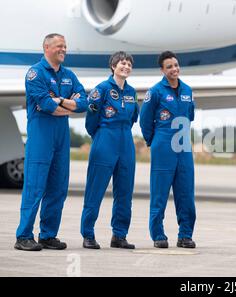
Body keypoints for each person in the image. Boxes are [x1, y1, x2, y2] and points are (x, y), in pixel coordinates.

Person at [15, 33, 88, 251]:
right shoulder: (35, 73)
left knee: (58, 188)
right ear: (46, 47)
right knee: (35, 187)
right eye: (59, 46)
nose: (63, 49)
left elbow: (83, 103)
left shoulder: (69, 75)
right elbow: (47, 105)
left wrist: (61, 101)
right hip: (40, 137)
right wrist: (67, 107)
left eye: (65, 46)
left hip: (61, 139)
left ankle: (47, 235)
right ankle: (24, 236)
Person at [80, 52, 139, 249]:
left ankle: (119, 235)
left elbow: (132, 119)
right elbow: (91, 118)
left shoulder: (132, 92)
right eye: (122, 63)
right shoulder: (102, 89)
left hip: (125, 142)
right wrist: (100, 136)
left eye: (129, 64)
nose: (126, 66)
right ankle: (88, 234)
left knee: (124, 192)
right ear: (113, 66)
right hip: (105, 140)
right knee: (95, 190)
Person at [140, 51, 196, 249]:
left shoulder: (188, 90)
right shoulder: (155, 91)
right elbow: (145, 120)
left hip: (183, 147)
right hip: (163, 145)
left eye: (176, 65)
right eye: (169, 66)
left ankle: (185, 235)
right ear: (162, 70)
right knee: (159, 193)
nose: (174, 69)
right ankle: (158, 235)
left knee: (186, 193)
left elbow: (190, 115)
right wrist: (153, 142)